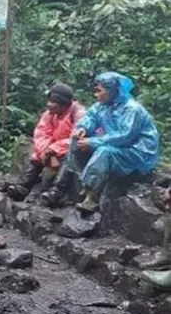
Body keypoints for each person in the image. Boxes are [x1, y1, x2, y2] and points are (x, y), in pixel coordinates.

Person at [66, 72, 159, 213]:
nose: (95, 95)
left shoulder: (132, 109)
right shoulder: (102, 106)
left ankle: (91, 198)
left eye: (99, 91)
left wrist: (93, 141)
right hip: (117, 146)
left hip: (137, 152)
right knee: (77, 142)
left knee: (104, 152)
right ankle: (82, 183)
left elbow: (125, 136)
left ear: (111, 90)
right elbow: (90, 117)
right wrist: (82, 129)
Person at [6, 83, 86, 203]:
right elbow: (41, 133)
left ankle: (56, 192)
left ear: (63, 103)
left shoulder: (79, 113)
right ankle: (23, 187)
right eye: (49, 101)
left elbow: (78, 138)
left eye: (53, 102)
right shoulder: (50, 113)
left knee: (70, 157)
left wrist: (54, 149)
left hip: (73, 149)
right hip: (52, 149)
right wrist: (47, 151)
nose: (49, 104)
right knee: (36, 157)